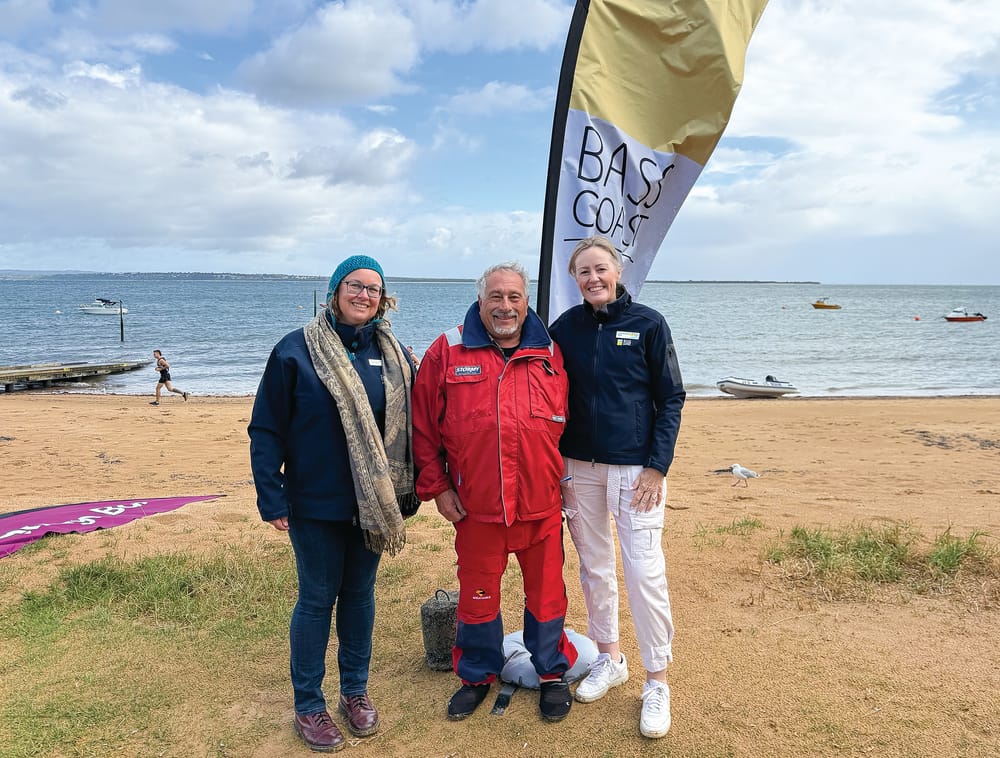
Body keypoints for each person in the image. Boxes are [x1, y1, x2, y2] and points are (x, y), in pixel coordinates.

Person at [248, 255, 419, 753]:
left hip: (372, 506)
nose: (364, 295)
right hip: (315, 503)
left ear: (383, 298)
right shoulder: (296, 349)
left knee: (360, 596)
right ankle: (308, 705)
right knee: (318, 598)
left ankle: (354, 692)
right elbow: (265, 427)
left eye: (374, 288)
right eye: (355, 285)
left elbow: (422, 413)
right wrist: (271, 495)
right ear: (334, 290)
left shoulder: (395, 355)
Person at [412, 261, 579, 724]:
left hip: (540, 504)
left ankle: (550, 673)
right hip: (476, 508)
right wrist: (438, 488)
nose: (505, 306)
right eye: (496, 297)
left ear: (527, 303)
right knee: (478, 596)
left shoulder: (550, 353)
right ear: (480, 300)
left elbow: (567, 424)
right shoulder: (447, 350)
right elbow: (422, 428)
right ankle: (477, 675)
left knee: (547, 596)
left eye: (514, 298)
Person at [548, 236, 685, 739]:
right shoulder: (565, 328)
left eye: (600, 269)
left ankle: (657, 679)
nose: (592, 278)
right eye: (583, 272)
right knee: (595, 569)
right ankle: (609, 657)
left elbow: (672, 398)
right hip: (579, 467)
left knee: (644, 573)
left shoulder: (648, 324)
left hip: (636, 473)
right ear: (574, 278)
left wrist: (657, 466)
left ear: (618, 271)